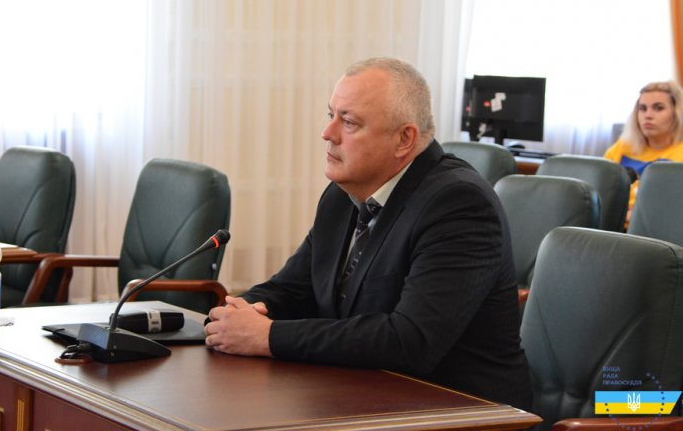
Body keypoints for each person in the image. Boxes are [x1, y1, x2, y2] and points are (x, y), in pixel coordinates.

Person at [204, 57, 532, 410]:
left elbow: (411, 341)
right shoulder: (343, 195)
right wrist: (238, 314)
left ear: (404, 139)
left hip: (462, 412)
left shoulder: (459, 204)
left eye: (349, 122)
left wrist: (268, 336)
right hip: (363, 396)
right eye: (331, 115)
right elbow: (293, 289)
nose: (327, 133)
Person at [604, 80, 683, 222]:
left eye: (658, 108)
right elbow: (601, 190)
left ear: (677, 113)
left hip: (658, 227)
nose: (648, 115)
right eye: (643, 108)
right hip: (613, 224)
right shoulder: (623, 146)